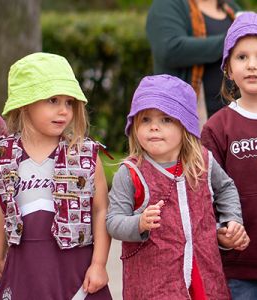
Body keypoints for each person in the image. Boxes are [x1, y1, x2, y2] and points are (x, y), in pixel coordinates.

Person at [106, 75, 247, 299]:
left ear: (185, 124)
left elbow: (226, 188)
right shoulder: (131, 173)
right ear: (134, 126)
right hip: (154, 284)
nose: (154, 127)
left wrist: (231, 221)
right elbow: (113, 222)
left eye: (166, 120)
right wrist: (139, 223)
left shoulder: (202, 161)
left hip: (204, 276)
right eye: (145, 120)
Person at [0, 52, 111, 299]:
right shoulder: (4, 155)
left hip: (76, 270)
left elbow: (101, 210)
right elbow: (3, 206)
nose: (63, 111)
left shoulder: (84, 155)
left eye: (69, 103)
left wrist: (99, 264)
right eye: (53, 100)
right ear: (25, 102)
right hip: (24, 267)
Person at [201, 12, 257, 299]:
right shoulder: (217, 127)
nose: (252, 65)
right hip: (237, 267)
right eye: (241, 57)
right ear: (228, 68)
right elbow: (203, 194)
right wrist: (220, 232)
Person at [146, 0, 241, 122]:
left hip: (233, 117)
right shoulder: (168, 4)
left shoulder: (229, 6)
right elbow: (170, 50)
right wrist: (232, 40)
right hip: (192, 120)